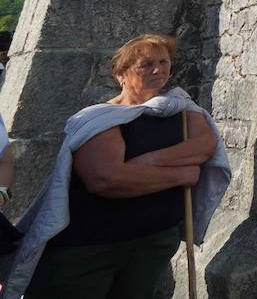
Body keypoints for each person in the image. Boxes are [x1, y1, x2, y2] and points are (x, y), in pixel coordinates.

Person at [7, 33, 231, 298]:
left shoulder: (182, 109)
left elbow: (205, 146)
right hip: (90, 248)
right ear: (121, 74)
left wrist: (142, 164)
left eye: (164, 62)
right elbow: (107, 180)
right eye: (146, 64)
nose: (158, 69)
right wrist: (184, 172)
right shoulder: (99, 118)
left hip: (155, 241)